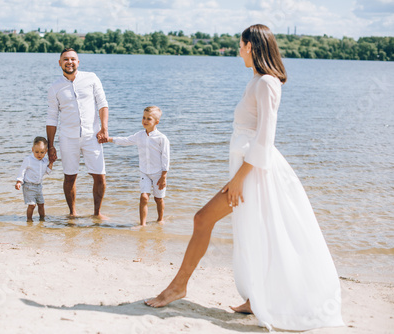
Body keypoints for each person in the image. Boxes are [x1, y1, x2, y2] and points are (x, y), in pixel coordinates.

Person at [145, 24, 344, 331]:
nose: (238, 49)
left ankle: (178, 287)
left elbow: (266, 137)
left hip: (255, 173)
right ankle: (255, 298)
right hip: (248, 169)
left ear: (251, 45)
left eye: (240, 44)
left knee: (202, 219)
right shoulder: (256, 80)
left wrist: (240, 178)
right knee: (257, 232)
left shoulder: (266, 83)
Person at [46, 48, 109, 219]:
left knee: (100, 176)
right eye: (65, 59)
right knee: (69, 177)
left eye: (73, 59)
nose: (69, 62)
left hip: (92, 136)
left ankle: (97, 213)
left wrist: (104, 129)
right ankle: (72, 213)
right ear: (60, 63)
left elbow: (102, 104)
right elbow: (52, 118)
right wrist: (50, 146)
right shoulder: (55, 88)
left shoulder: (91, 78)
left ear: (78, 62)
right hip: (68, 137)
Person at [109, 106, 170, 226]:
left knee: (158, 199)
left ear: (156, 122)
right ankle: (142, 224)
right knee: (144, 198)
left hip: (158, 173)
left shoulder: (162, 138)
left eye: (149, 119)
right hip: (144, 172)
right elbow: (126, 140)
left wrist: (164, 176)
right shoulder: (139, 135)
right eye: (143, 118)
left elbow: (166, 157)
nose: (145, 121)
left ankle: (160, 219)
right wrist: (110, 139)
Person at [15, 136, 54, 222]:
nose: (39, 154)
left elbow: (47, 172)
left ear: (46, 151)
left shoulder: (45, 161)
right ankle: (29, 220)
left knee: (41, 204)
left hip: (39, 186)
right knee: (32, 205)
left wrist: (51, 163)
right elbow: (22, 170)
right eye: (36, 152)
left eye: (42, 152)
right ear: (32, 149)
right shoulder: (28, 160)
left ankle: (42, 219)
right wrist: (19, 181)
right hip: (28, 186)